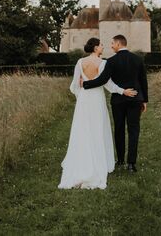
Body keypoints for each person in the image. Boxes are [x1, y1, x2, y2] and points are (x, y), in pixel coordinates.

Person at [58, 37, 137, 190]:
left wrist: (80, 96)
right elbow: (108, 84)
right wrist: (123, 91)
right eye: (100, 45)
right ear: (95, 48)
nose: (103, 47)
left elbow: (74, 86)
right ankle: (100, 162)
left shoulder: (80, 63)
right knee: (98, 129)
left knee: (83, 130)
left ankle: (81, 161)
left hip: (83, 101)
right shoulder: (103, 63)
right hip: (97, 100)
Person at [82, 34, 148, 173]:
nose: (111, 46)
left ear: (118, 44)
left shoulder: (111, 61)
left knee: (119, 129)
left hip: (118, 101)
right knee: (134, 130)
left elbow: (102, 80)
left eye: (112, 43)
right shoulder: (138, 59)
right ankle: (131, 164)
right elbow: (143, 82)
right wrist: (144, 100)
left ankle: (120, 160)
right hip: (135, 99)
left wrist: (85, 84)